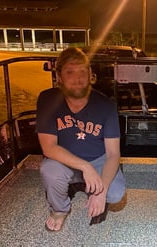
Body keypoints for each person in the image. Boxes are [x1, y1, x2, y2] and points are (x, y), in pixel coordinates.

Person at [36, 47, 126, 231]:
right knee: (49, 171)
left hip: (99, 158)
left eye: (83, 71)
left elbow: (113, 153)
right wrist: (85, 167)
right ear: (59, 76)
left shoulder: (106, 105)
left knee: (115, 193)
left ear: (91, 74)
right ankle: (60, 209)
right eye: (69, 72)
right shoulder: (47, 99)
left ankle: (92, 188)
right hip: (65, 159)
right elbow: (49, 148)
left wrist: (102, 192)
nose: (77, 78)